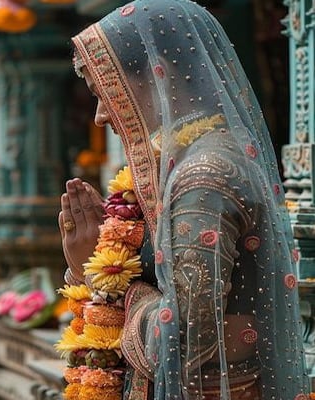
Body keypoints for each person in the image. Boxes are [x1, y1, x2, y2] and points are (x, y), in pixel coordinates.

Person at [61, 0, 310, 398]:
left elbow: (184, 342)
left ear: (161, 71)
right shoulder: (193, 161)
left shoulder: (204, 176)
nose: (100, 116)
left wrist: (103, 281)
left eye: (103, 90)